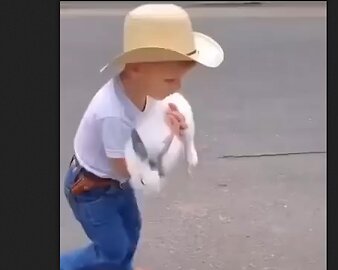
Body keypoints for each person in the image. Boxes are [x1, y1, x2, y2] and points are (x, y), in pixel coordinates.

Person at [60, 4, 224, 270]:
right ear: (137, 68)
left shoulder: (144, 91)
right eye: (171, 80)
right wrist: (166, 142)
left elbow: (147, 131)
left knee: (130, 237)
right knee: (112, 251)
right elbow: (128, 169)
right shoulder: (112, 112)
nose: (178, 88)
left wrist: (172, 126)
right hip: (93, 189)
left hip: (117, 185)